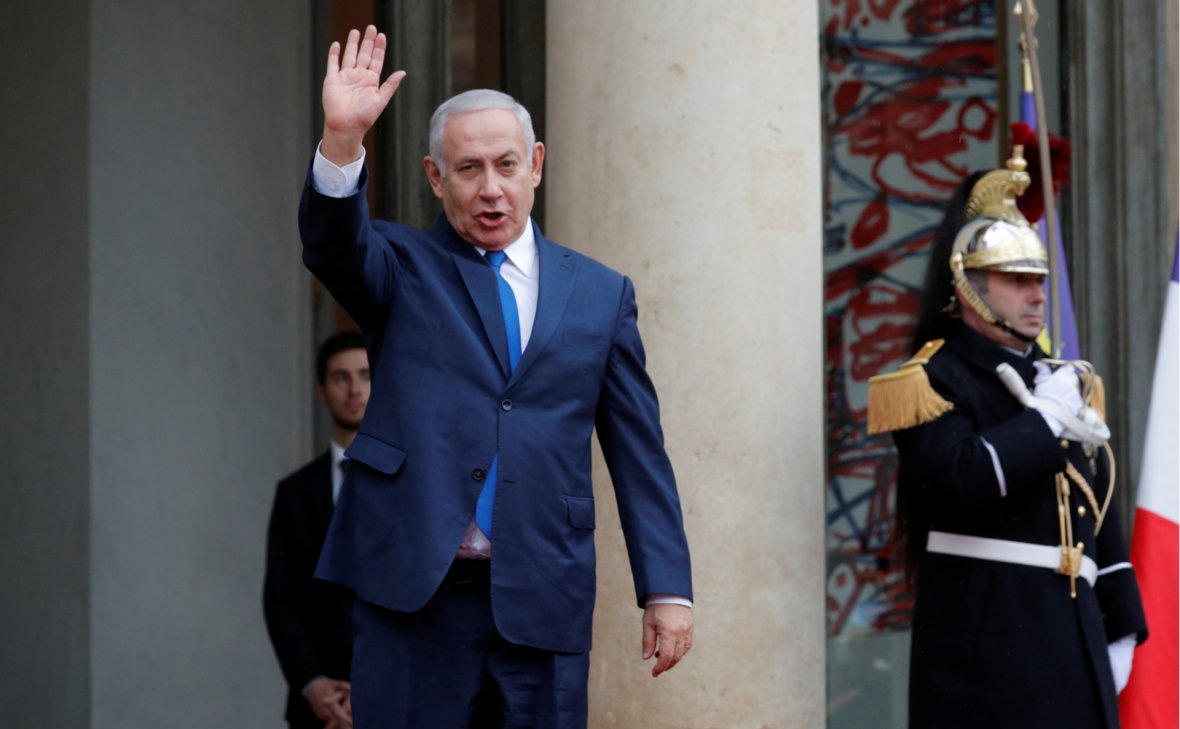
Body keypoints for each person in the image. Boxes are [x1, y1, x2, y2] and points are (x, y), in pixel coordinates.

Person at [298, 25, 693, 728]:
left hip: (543, 592)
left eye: (506, 165)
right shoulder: (400, 265)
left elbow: (639, 451)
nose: (491, 189)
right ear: (434, 177)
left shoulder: (601, 294)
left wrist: (665, 588)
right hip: (412, 596)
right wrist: (342, 141)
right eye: (468, 169)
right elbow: (333, 245)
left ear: (535, 164)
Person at [868, 150, 1148, 728]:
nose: (1038, 296)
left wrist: (1122, 622)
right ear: (970, 287)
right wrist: (1043, 421)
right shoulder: (932, 379)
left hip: (1073, 640)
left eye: (1039, 281)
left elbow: (1095, 509)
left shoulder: (1054, 380)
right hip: (987, 648)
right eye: (1017, 281)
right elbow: (964, 475)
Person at [264, 331, 370, 729]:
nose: (354, 389)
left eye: (365, 375)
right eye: (341, 377)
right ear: (322, 392)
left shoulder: (411, 487)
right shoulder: (293, 492)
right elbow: (279, 598)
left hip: (393, 695)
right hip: (317, 706)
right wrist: (313, 683)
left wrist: (374, 683)